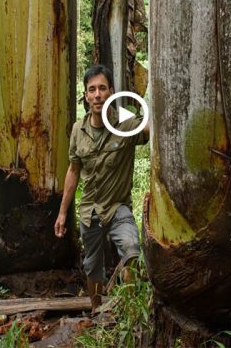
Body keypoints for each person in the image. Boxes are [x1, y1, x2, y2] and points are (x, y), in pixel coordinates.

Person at [54, 64, 150, 313]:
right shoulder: (78, 129)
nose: (97, 95)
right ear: (86, 96)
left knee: (131, 252)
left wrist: (139, 111)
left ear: (112, 92)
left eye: (102, 89)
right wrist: (63, 212)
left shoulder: (126, 125)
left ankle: (130, 310)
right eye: (92, 90)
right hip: (90, 212)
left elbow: (153, 128)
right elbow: (73, 170)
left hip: (118, 208)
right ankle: (97, 312)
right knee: (92, 266)